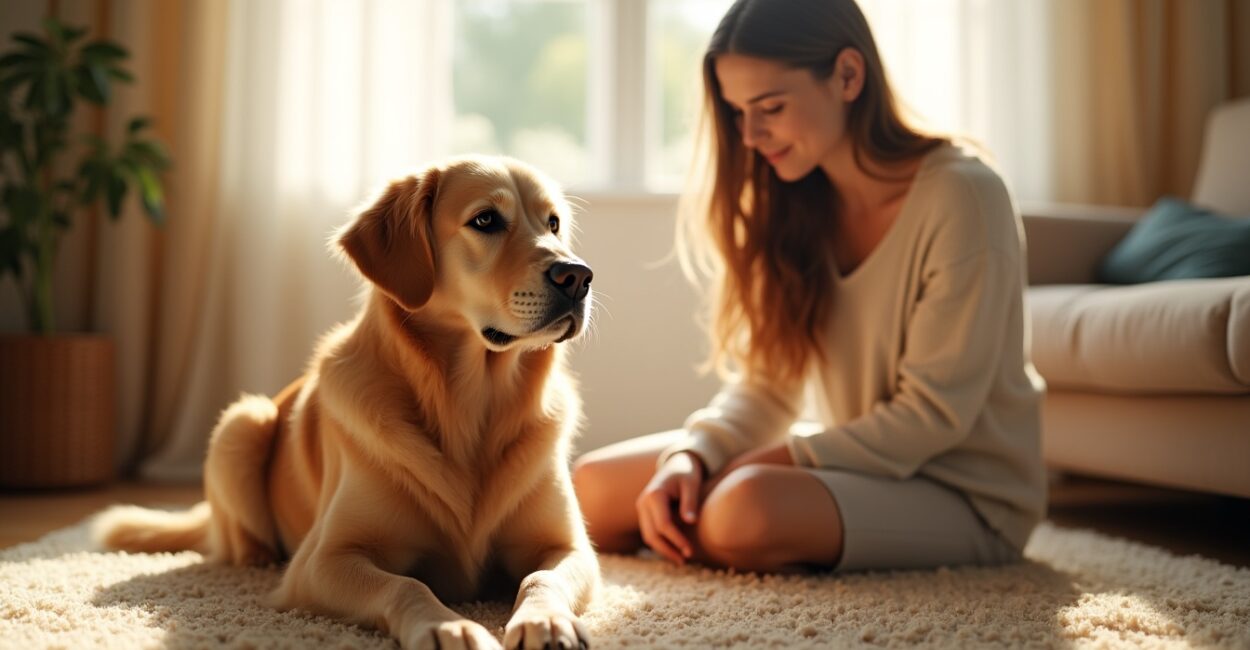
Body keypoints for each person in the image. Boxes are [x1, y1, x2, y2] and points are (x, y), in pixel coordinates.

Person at [572, 0, 1047, 574]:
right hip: (862, 462)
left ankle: (725, 530)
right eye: (737, 110)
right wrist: (694, 457)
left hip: (963, 491)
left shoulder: (965, 196)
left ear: (848, 76)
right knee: (593, 489)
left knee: (740, 508)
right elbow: (769, 387)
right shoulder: (797, 200)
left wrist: (742, 472)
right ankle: (717, 523)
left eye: (770, 106)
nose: (749, 134)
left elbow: (931, 418)